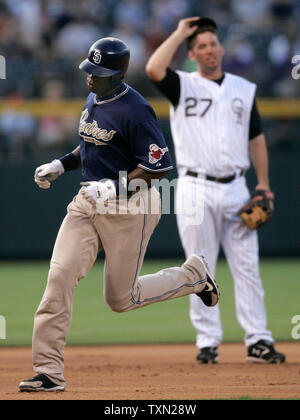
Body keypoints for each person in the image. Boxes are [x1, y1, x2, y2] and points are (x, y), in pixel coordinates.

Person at [19, 37, 219, 392]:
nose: (90, 77)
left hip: (131, 207)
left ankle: (193, 276)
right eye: (89, 70)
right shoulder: (94, 96)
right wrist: (60, 164)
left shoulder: (137, 110)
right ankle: (48, 371)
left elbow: (159, 167)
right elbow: (92, 143)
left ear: (118, 74)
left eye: (99, 73)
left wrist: (114, 187)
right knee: (59, 279)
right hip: (87, 202)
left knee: (120, 300)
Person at [146, 17, 286, 364]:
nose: (209, 50)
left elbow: (256, 139)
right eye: (202, 47)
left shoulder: (243, 88)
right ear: (193, 54)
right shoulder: (183, 84)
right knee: (198, 266)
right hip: (195, 185)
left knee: (247, 267)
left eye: (213, 44)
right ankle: (207, 342)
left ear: (221, 48)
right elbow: (152, 68)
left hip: (237, 186)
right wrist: (180, 33)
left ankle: (258, 340)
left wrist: (264, 185)